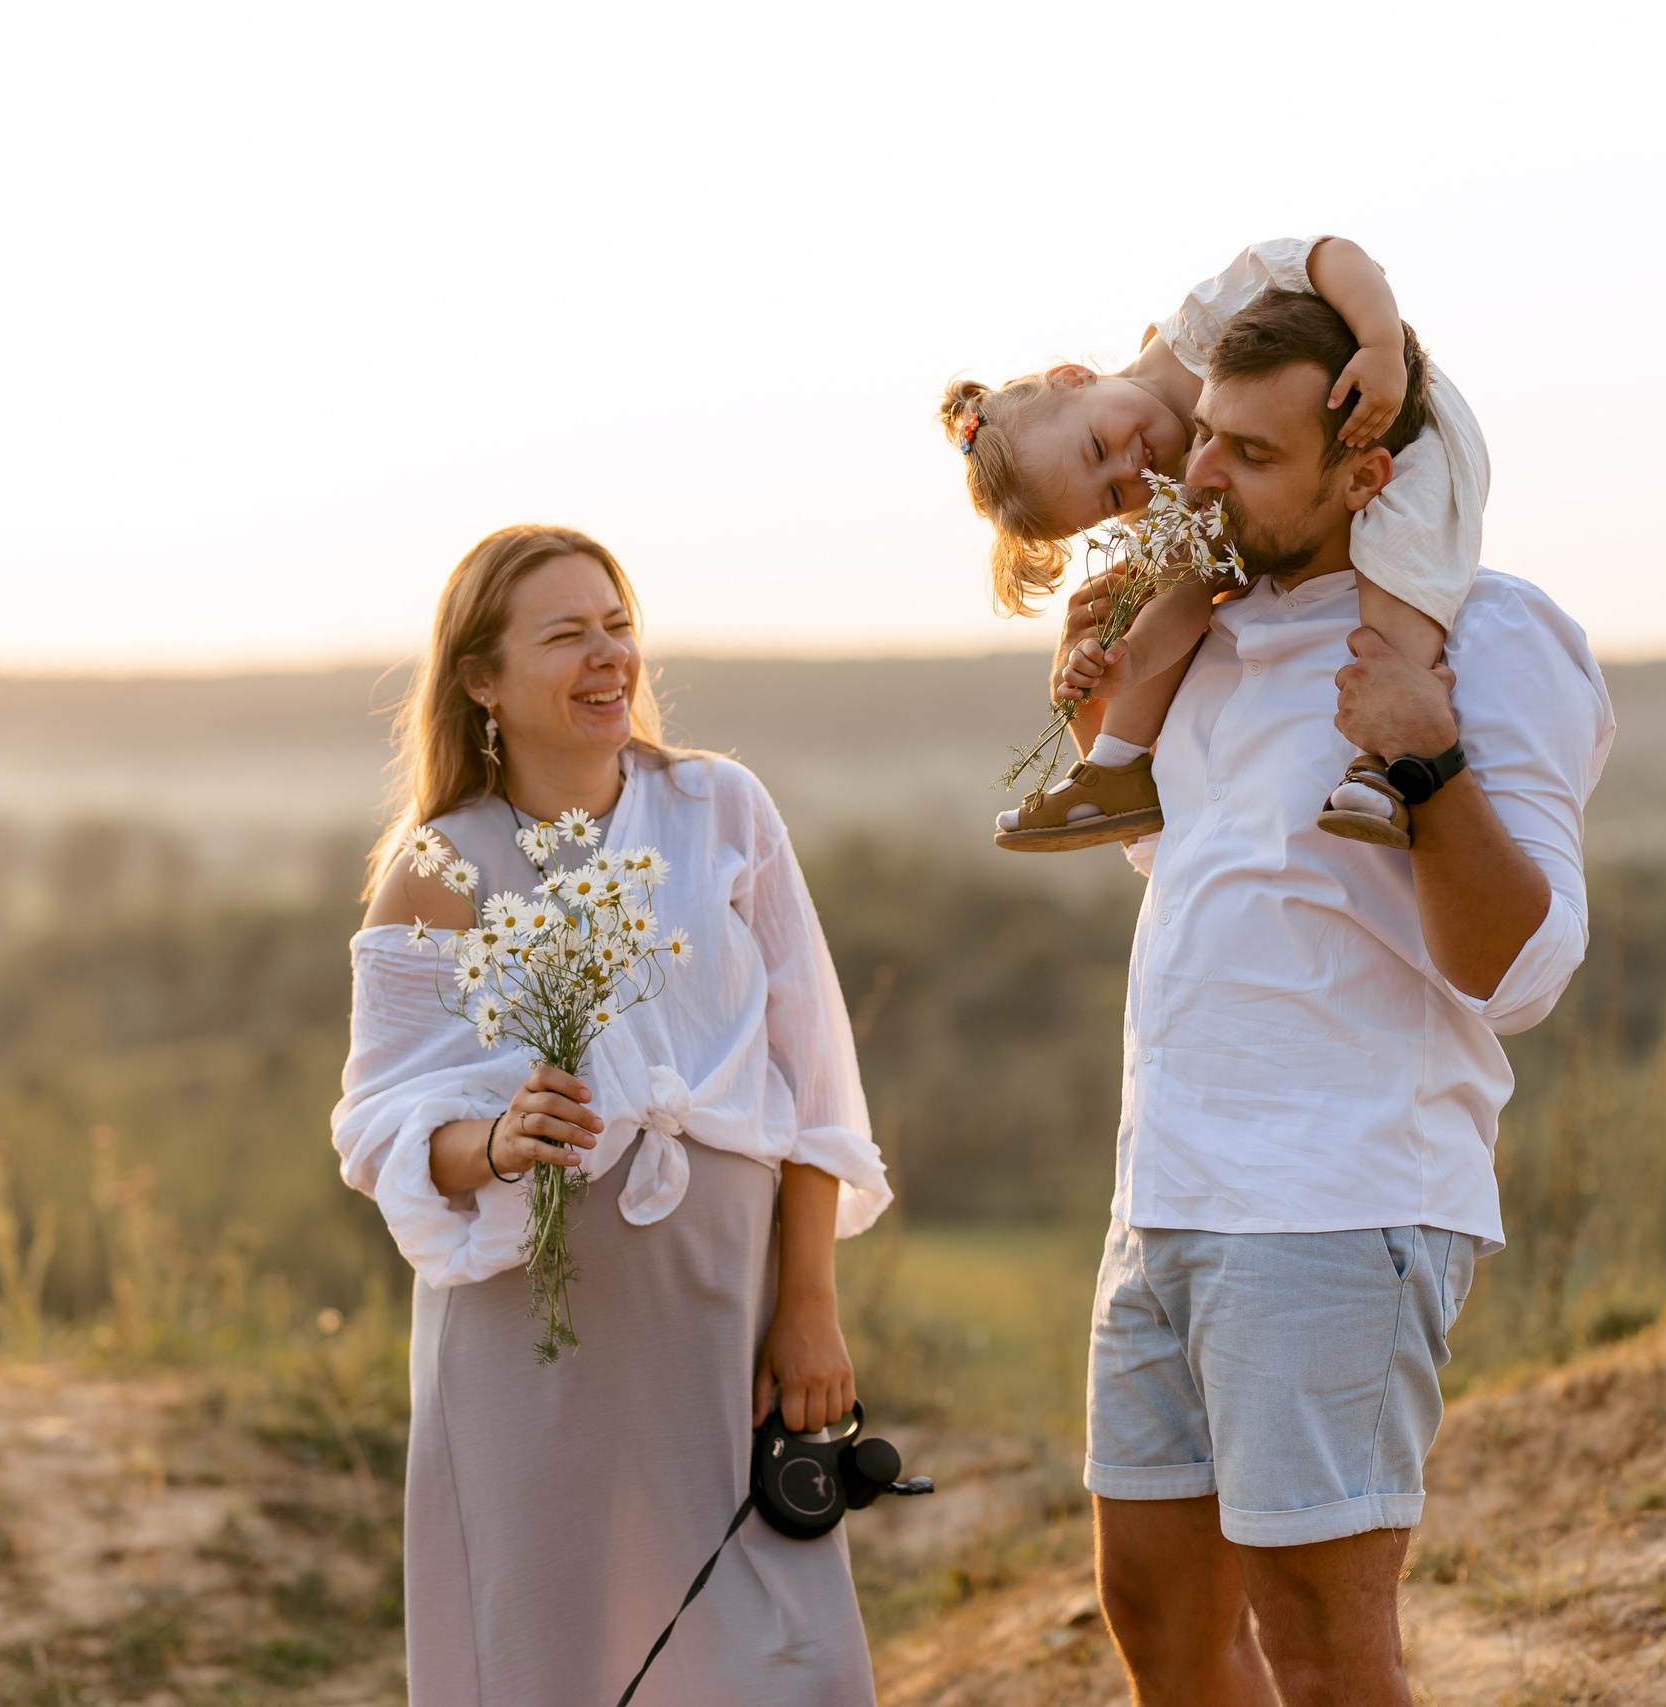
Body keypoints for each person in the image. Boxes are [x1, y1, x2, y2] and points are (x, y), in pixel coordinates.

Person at [1065, 290, 1614, 1706]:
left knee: (1320, 1649)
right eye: (1207, 440)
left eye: (1248, 453)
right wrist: (1109, 711)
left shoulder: (1490, 636)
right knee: (1162, 1629)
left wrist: (1429, 763)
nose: (1198, 476)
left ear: (1366, 469)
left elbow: (1526, 969)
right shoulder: (1218, 627)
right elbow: (1209, 871)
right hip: (1167, 1197)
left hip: (1333, 1200)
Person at [331, 525, 888, 1705]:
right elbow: (377, 1120)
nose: (607, 658)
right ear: (482, 679)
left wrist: (809, 1308)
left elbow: (815, 1083)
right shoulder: (440, 865)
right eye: (566, 635)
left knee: (787, 1652)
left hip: (725, 1310)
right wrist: (493, 1140)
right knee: (551, 1657)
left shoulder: (720, 809)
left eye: (618, 625)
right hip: (534, 1330)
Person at [942, 236, 1491, 852]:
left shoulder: (1199, 325)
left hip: (1403, 413)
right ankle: (1117, 764)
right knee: (1169, 575)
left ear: (1075, 378)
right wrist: (1132, 658)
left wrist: (1381, 344)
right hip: (1314, 493)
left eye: (1099, 447)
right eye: (1113, 498)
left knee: (1400, 549)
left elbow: (1330, 256)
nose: (1131, 469)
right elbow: (1191, 601)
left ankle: (1386, 760)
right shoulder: (1165, 495)